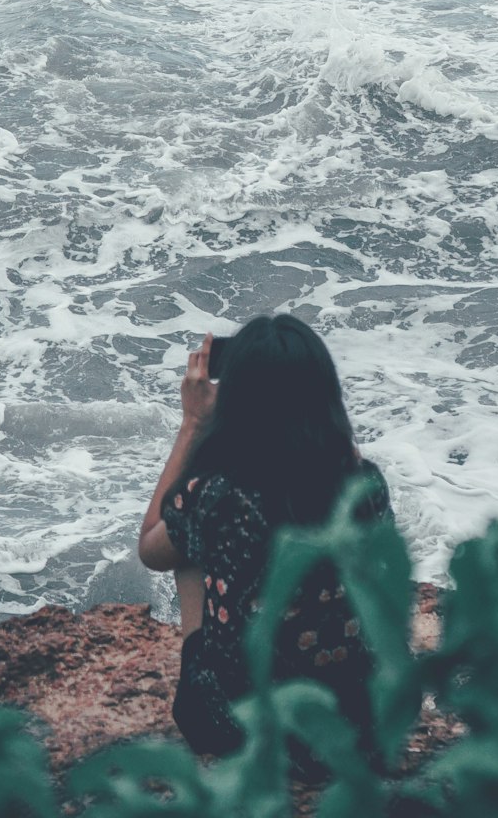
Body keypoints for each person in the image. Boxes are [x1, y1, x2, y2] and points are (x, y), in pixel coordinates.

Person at [137, 313, 391, 759]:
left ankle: (208, 678)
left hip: (244, 733)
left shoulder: (217, 496)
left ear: (237, 399)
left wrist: (193, 424)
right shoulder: (363, 484)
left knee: (184, 542)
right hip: (358, 728)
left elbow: (151, 548)